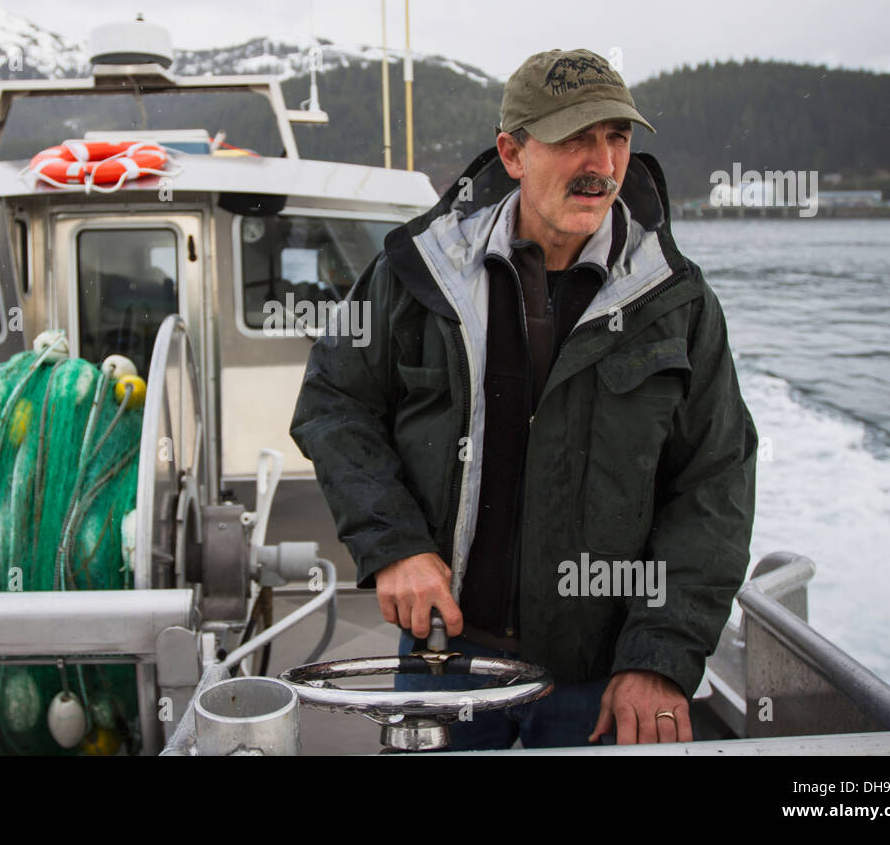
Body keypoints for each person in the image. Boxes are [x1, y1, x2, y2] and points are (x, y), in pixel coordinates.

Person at [290, 48, 756, 749]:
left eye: (616, 137)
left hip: (599, 683)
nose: (601, 162)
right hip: (445, 660)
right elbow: (334, 400)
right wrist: (394, 546)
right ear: (512, 152)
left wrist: (659, 660)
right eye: (574, 138)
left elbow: (713, 483)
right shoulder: (418, 273)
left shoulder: (676, 302)